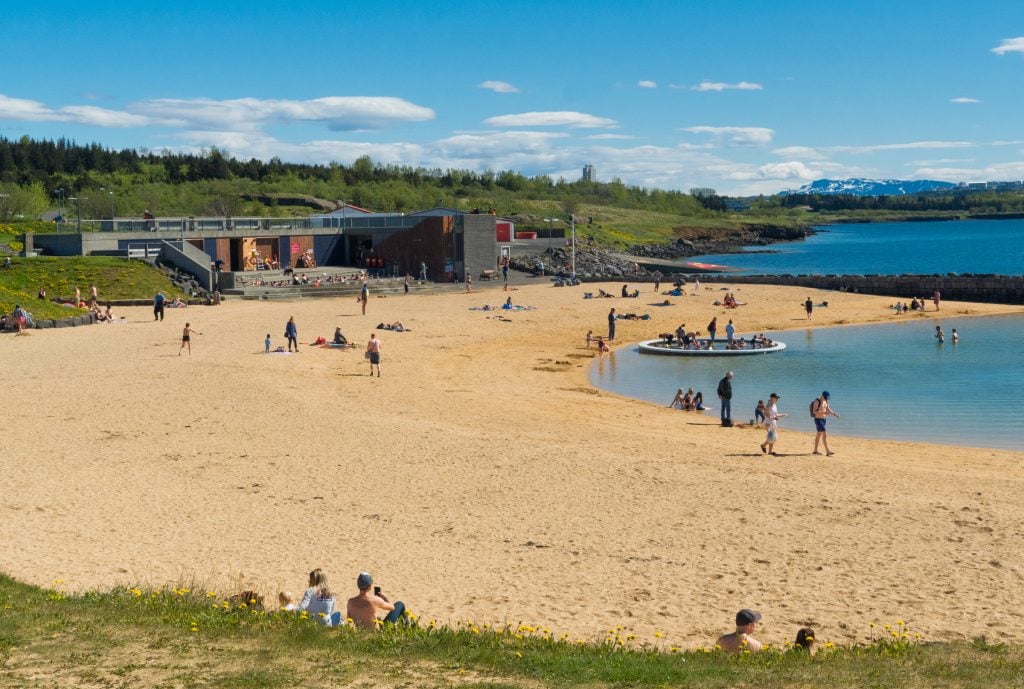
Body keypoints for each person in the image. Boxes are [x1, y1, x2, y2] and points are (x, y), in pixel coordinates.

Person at [812, 391, 840, 456]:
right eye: (825, 397)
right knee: (824, 434)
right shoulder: (817, 401)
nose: (826, 398)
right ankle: (828, 451)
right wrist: (824, 413)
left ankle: (815, 450)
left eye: (827, 397)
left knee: (818, 435)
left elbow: (828, 409)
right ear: (822, 395)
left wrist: (834, 414)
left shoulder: (826, 401)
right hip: (818, 420)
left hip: (824, 420)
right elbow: (814, 412)